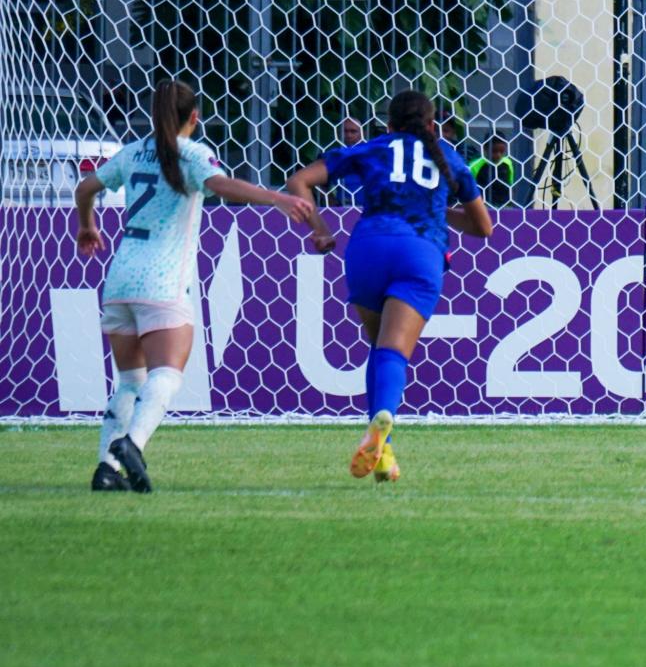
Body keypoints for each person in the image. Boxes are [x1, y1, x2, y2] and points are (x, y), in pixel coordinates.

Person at [73, 80, 313, 492]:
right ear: (194, 117)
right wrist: (276, 198)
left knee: (129, 381)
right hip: (163, 281)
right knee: (166, 373)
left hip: (120, 277)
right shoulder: (193, 154)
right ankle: (133, 444)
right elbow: (222, 185)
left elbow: (85, 188)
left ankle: (106, 470)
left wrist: (87, 225)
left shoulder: (132, 152)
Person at [286, 89, 492, 482]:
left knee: (379, 348)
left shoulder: (372, 148)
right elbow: (483, 227)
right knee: (393, 352)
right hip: (419, 251)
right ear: (432, 125)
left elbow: (298, 181)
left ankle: (383, 452)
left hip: (368, 249)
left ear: (389, 124)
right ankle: (384, 423)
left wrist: (320, 229)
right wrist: (435, 208)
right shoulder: (448, 157)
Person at [467, 135, 520, 209]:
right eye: (494, 151)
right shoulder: (474, 165)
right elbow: (470, 188)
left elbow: (510, 183)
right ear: (485, 148)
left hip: (505, 205)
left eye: (502, 151)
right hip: (483, 206)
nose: (498, 155)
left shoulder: (508, 163)